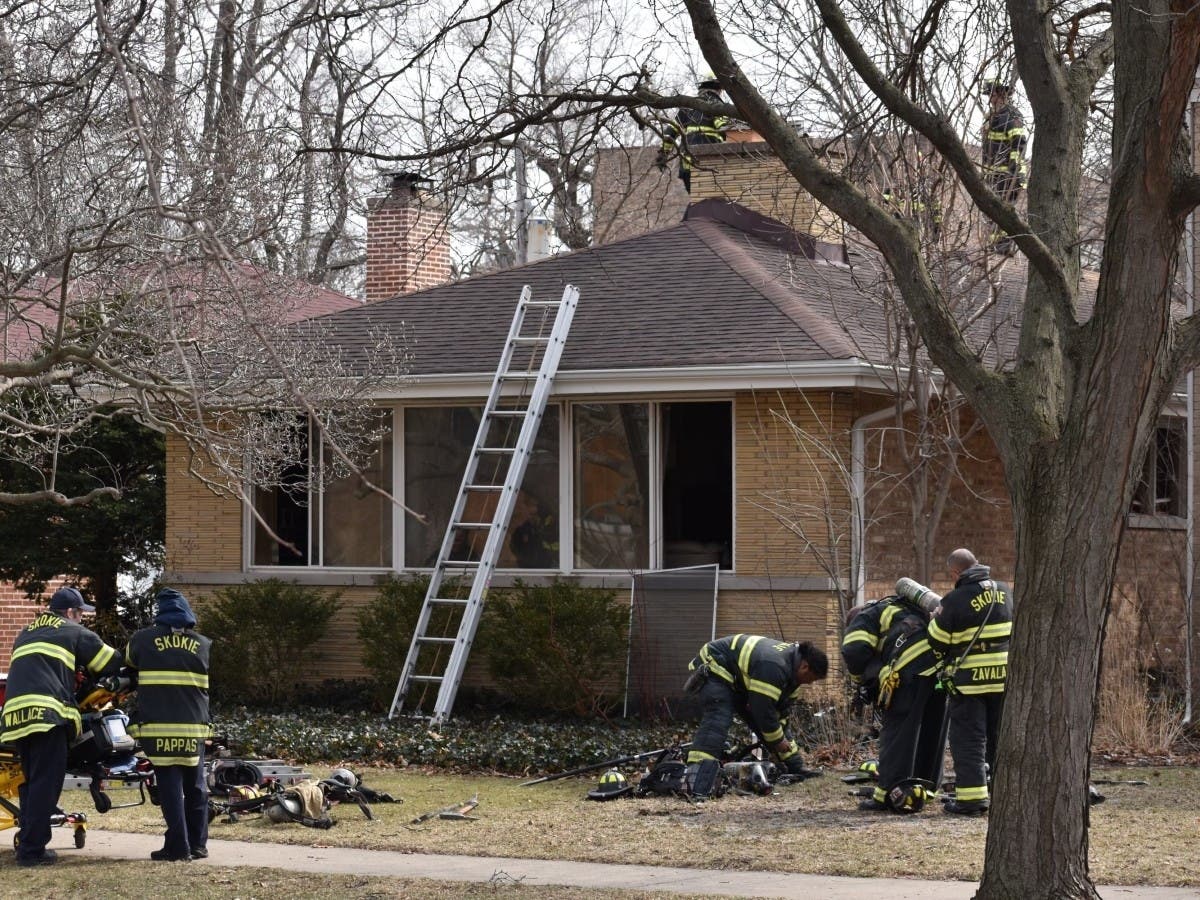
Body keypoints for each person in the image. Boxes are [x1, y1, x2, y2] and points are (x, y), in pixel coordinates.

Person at [0, 586, 121, 866]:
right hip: (47, 715)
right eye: (81, 614)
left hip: (15, 717)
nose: (82, 620)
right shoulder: (71, 630)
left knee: (32, 782)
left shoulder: (26, 632)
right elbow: (110, 661)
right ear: (70, 612)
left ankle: (29, 843)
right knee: (47, 783)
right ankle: (32, 852)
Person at [842, 580, 946, 812]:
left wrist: (861, 682)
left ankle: (886, 794)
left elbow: (854, 650)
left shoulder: (865, 617)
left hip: (909, 672)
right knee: (932, 730)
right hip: (940, 670)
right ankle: (923, 789)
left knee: (897, 732)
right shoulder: (902, 608)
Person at [125, 588, 213, 861]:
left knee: (171, 790)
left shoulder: (142, 640)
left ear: (160, 614)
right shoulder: (203, 644)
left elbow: (127, 664)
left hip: (160, 727)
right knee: (196, 787)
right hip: (194, 730)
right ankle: (198, 845)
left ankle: (178, 848)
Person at [682, 634, 828, 798]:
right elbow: (763, 712)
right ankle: (695, 776)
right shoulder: (774, 667)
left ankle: (793, 765)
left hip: (737, 680)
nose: (810, 683)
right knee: (719, 716)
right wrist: (778, 741)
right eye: (812, 679)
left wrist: (796, 766)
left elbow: (779, 720)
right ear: (805, 667)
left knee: (770, 727)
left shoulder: (791, 679)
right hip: (716, 666)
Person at [927, 549, 1012, 815]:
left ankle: (972, 799)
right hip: (1003, 679)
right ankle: (1005, 794)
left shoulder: (955, 599)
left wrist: (934, 621)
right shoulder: (1005, 591)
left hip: (970, 682)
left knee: (969, 740)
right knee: (1000, 738)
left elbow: (938, 641)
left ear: (955, 573)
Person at [656, 75, 730, 193]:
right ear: (719, 89)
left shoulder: (688, 107)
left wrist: (663, 153)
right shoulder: (717, 106)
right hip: (708, 165)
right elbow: (727, 130)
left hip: (687, 166)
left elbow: (670, 133)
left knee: (697, 204)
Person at [981, 79, 1029, 254]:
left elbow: (1019, 143)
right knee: (993, 211)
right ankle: (995, 245)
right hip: (993, 173)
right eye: (989, 95)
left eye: (992, 95)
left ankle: (1003, 246)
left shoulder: (1012, 116)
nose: (990, 99)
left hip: (1008, 174)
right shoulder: (992, 118)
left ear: (1001, 95)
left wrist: (1013, 169)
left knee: (1004, 210)